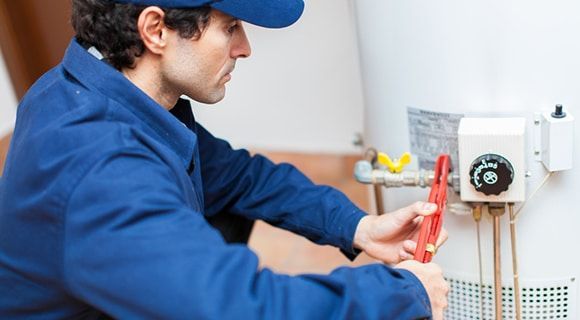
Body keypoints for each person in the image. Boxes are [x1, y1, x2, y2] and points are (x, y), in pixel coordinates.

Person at [0, 0, 449, 318]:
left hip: (111, 285)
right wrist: (402, 293)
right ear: (155, 30)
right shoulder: (103, 173)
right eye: (230, 25)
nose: (244, 47)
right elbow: (241, 307)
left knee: (227, 202)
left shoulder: (93, 87)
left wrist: (358, 227)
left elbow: (239, 177)